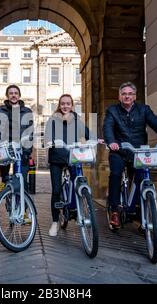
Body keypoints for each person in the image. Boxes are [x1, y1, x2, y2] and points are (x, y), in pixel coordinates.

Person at [103, 81, 157, 229]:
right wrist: (111, 141)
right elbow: (107, 127)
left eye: (130, 94)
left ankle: (141, 212)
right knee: (116, 174)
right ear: (119, 96)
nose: (127, 96)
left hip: (138, 152)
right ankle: (114, 210)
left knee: (141, 177)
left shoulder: (144, 110)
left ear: (135, 96)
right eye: (124, 94)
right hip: (119, 151)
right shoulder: (112, 110)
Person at [44, 94, 103, 237]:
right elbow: (47, 136)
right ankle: (55, 221)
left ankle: (79, 211)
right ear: (59, 105)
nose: (65, 106)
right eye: (63, 103)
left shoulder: (77, 120)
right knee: (57, 190)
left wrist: (96, 139)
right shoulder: (53, 120)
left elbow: (87, 133)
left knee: (78, 184)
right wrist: (50, 142)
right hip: (57, 158)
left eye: (68, 103)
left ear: (72, 105)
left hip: (74, 157)